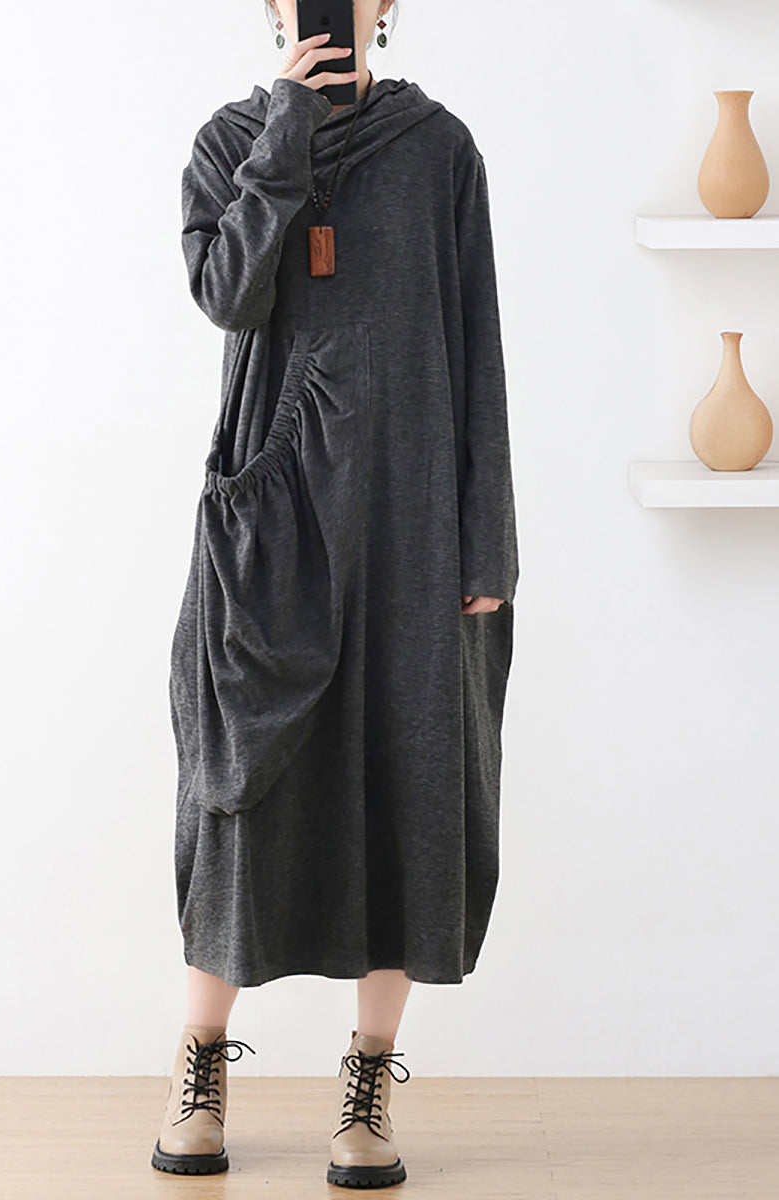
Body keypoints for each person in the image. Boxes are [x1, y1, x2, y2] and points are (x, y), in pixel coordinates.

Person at [152, 0, 519, 1189]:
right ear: (273, 9)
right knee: (237, 792)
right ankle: (200, 1062)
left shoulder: (439, 150)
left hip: (411, 523)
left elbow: (477, 346)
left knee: (408, 787)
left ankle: (367, 1086)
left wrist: (486, 547)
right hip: (273, 521)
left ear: (387, 7)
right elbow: (228, 294)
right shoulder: (229, 142)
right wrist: (286, 132)